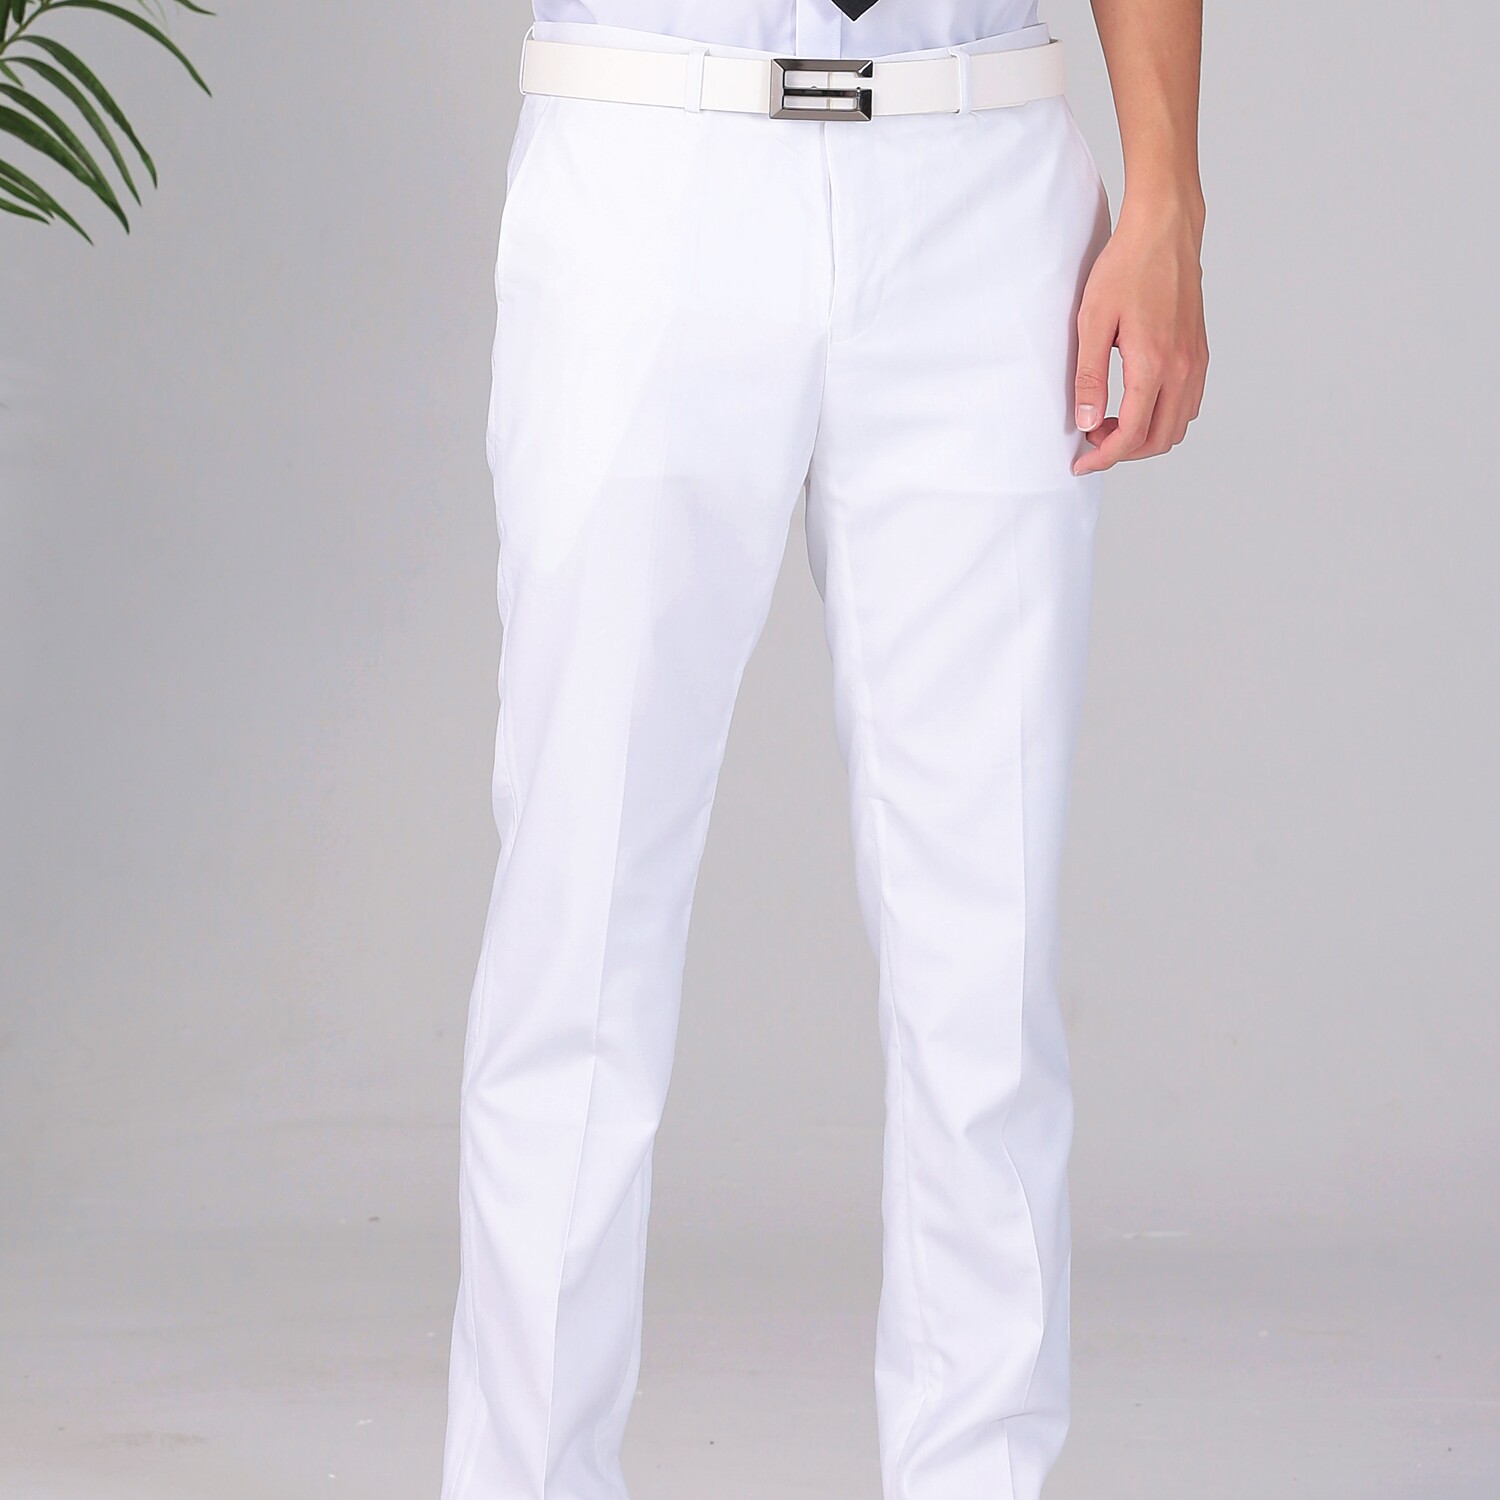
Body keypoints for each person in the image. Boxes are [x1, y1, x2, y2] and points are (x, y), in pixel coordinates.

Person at [439, 2, 1208, 1498]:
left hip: (977, 168)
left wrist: (1168, 194)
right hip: (650, 142)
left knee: (983, 956)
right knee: (575, 932)